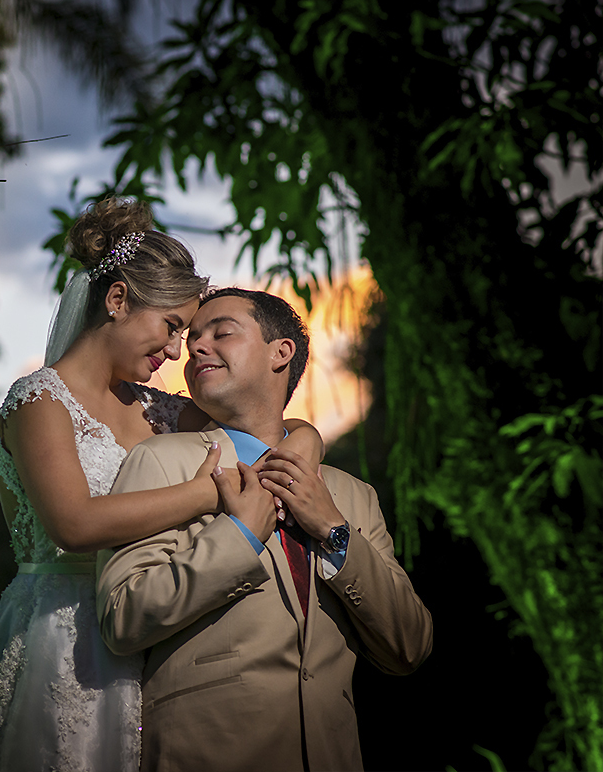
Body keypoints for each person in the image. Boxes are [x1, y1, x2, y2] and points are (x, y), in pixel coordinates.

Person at [0, 201, 324, 772]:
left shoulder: (161, 412)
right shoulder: (39, 402)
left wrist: (308, 444)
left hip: (151, 637)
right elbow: (74, 524)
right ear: (119, 300)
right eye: (172, 326)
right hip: (62, 644)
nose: (178, 351)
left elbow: (268, 433)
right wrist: (209, 493)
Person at [97, 288, 434, 772]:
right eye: (192, 338)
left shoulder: (355, 496)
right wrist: (238, 537)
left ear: (282, 353)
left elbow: (410, 645)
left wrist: (335, 532)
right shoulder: (160, 460)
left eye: (222, 332)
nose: (194, 347)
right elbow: (121, 616)